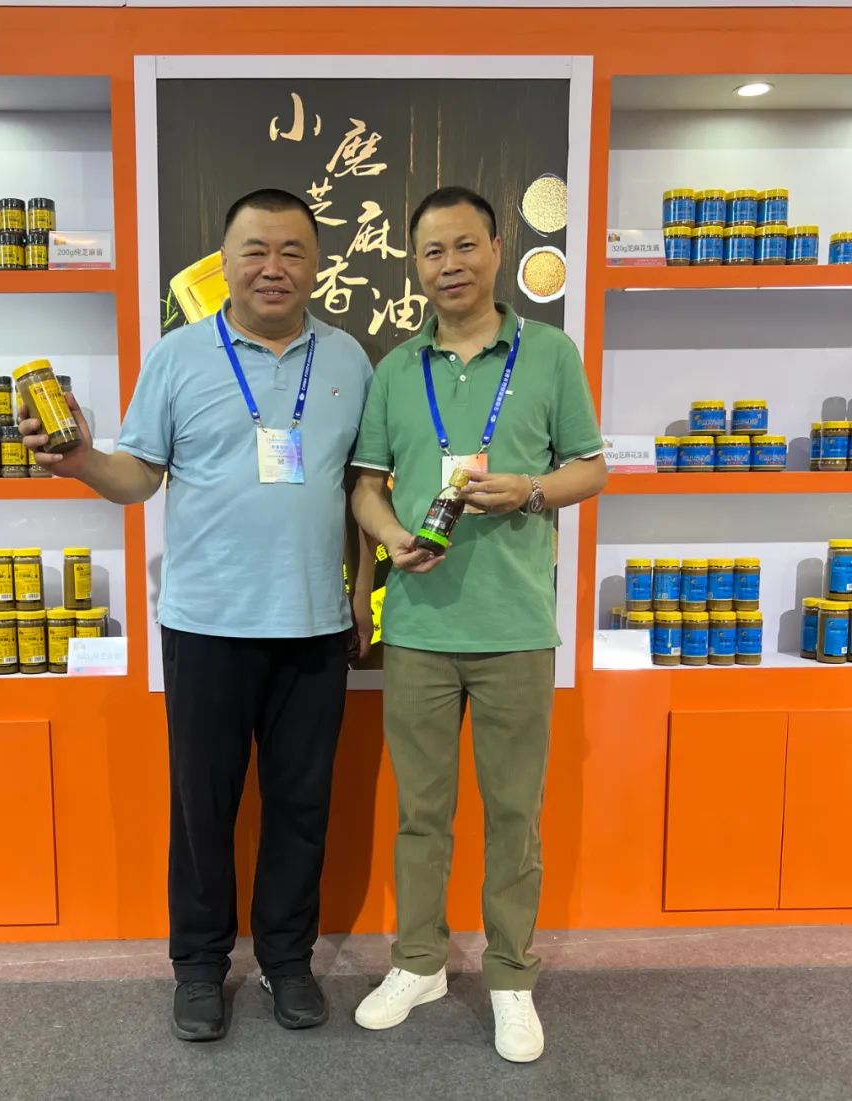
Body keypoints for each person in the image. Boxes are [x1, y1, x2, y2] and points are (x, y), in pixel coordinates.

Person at [19, 189, 374, 1042]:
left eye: (292, 250)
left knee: (301, 805)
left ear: (316, 264)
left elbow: (363, 487)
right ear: (226, 262)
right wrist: (81, 461)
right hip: (207, 624)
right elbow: (138, 476)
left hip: (314, 625)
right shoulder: (177, 356)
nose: (273, 267)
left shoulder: (350, 359)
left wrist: (361, 592)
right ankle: (200, 967)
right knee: (202, 808)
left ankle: (287, 959)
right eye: (255, 250)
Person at [349, 186, 606, 1063]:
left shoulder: (550, 353)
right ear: (415, 265)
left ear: (498, 249)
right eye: (432, 251)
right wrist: (390, 537)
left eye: (465, 245)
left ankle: (509, 977)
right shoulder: (395, 368)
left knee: (513, 814)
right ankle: (418, 961)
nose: (449, 264)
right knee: (421, 812)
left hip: (516, 626)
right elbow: (367, 485)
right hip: (419, 626)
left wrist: (531, 489)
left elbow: (591, 468)